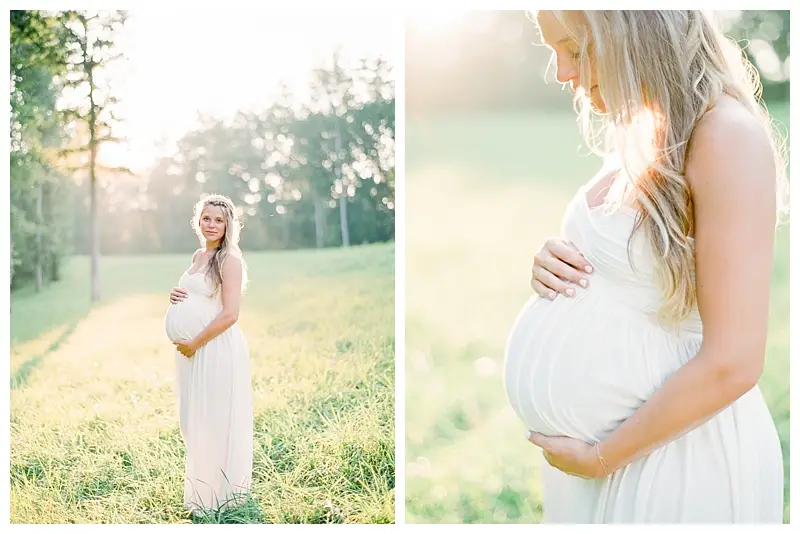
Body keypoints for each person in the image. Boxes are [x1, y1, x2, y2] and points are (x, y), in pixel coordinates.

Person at [503, 10, 786, 523]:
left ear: (632, 32)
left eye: (572, 47)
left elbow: (735, 360)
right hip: (615, 460)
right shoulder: (649, 130)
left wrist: (601, 457)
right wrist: (555, 262)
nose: (562, 72)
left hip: (678, 463)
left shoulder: (725, 137)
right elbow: (637, 272)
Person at [164, 194, 253, 516]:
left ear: (228, 224)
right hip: (193, 351)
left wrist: (195, 343)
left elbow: (230, 314)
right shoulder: (199, 255)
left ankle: (220, 496)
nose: (212, 224)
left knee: (212, 419)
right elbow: (198, 297)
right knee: (192, 419)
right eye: (206, 218)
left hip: (214, 348)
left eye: (218, 219)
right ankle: (202, 486)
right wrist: (175, 296)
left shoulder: (230, 260)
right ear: (197, 221)